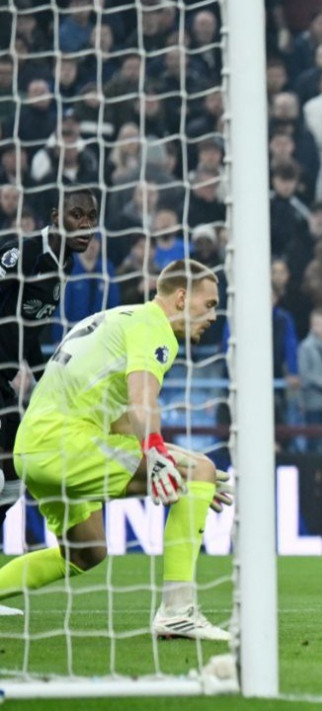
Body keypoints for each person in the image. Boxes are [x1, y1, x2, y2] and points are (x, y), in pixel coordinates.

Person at [0, 260, 233, 640]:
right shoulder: (154, 328)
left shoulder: (118, 318)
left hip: (33, 446)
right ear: (180, 297)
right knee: (200, 471)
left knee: (86, 552)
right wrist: (167, 461)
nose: (213, 315)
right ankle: (178, 611)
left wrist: (164, 457)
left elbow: (123, 423)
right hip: (65, 443)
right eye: (208, 304)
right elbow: (143, 401)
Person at [0, 187, 98, 550]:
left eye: (91, 217)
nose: (85, 225)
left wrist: (51, 381)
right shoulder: (23, 252)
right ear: (57, 217)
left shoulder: (64, 262)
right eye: (77, 216)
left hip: (4, 380)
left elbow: (28, 334)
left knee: (11, 478)